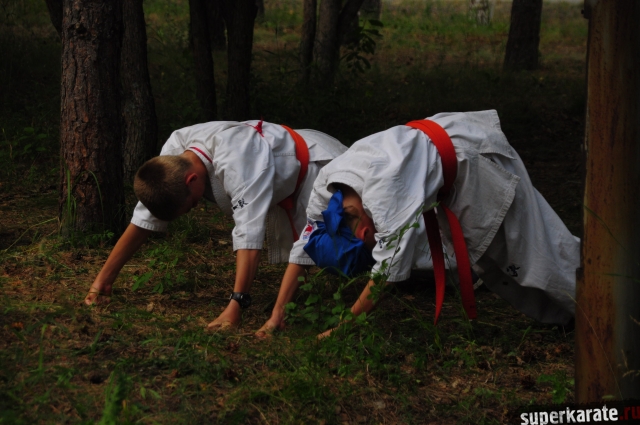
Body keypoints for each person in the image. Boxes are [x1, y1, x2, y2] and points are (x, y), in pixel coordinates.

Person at [256, 110, 578, 338]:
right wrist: (276, 315)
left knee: (532, 250)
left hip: (473, 159)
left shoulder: (383, 195)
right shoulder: (329, 188)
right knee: (492, 263)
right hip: (446, 172)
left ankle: (595, 307)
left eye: (372, 244)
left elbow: (385, 273)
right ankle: (567, 318)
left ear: (366, 232)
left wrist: (342, 329)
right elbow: (304, 246)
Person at [84, 120, 347, 330]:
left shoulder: (238, 161)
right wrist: (102, 281)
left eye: (190, 205)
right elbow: (144, 218)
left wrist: (237, 303)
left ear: (191, 180)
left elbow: (248, 232)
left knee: (335, 248)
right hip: (286, 175)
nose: (194, 208)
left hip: (320, 166)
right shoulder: (174, 153)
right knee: (306, 250)